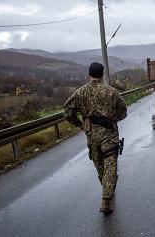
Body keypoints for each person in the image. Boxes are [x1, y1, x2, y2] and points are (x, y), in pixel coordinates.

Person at [64, 62, 127, 213]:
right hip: (109, 135)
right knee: (110, 165)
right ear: (102, 74)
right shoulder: (112, 92)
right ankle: (106, 199)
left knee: (100, 165)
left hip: (92, 135)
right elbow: (123, 112)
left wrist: (80, 124)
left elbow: (67, 112)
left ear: (89, 74)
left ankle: (106, 190)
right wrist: (113, 119)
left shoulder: (80, 93)